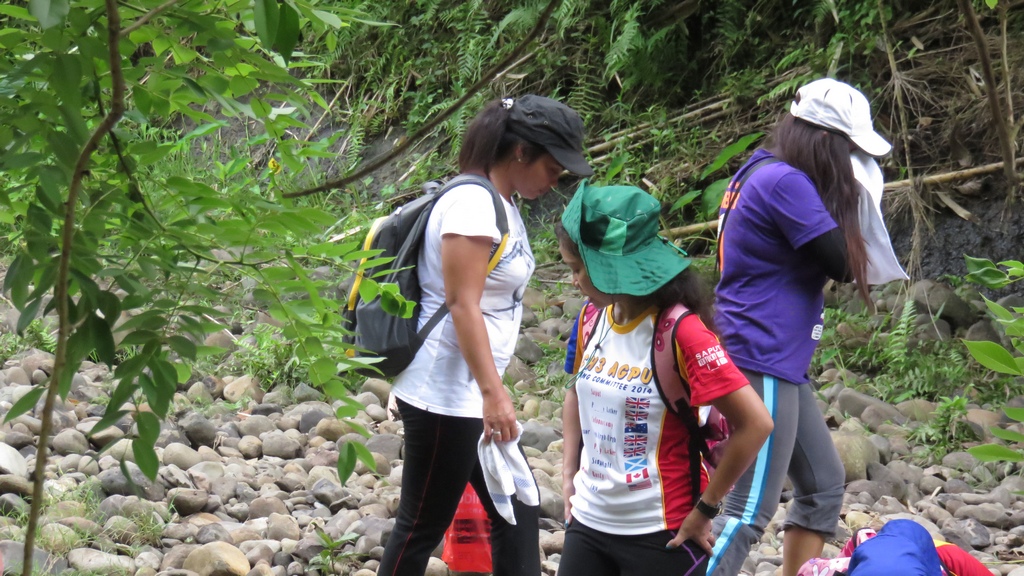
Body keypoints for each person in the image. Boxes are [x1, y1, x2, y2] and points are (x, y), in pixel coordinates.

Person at [377, 95, 594, 576]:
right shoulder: (473, 205)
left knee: (516, 505)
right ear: (520, 151)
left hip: (472, 392)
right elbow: (462, 303)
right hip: (445, 395)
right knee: (420, 527)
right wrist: (495, 395)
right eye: (553, 168)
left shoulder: (502, 204)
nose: (555, 180)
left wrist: (490, 393)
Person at [708, 78, 894, 576]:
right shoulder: (784, 182)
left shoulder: (759, 169)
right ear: (825, 140)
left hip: (777, 357)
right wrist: (855, 197)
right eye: (851, 151)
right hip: (760, 353)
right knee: (749, 508)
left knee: (823, 485)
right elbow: (841, 262)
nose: (854, 163)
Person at [556, 182, 774, 576]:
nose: (573, 281)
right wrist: (568, 474)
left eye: (576, 269)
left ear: (610, 268)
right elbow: (576, 393)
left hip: (662, 533)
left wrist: (706, 509)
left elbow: (756, 423)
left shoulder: (682, 332)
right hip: (587, 524)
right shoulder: (591, 318)